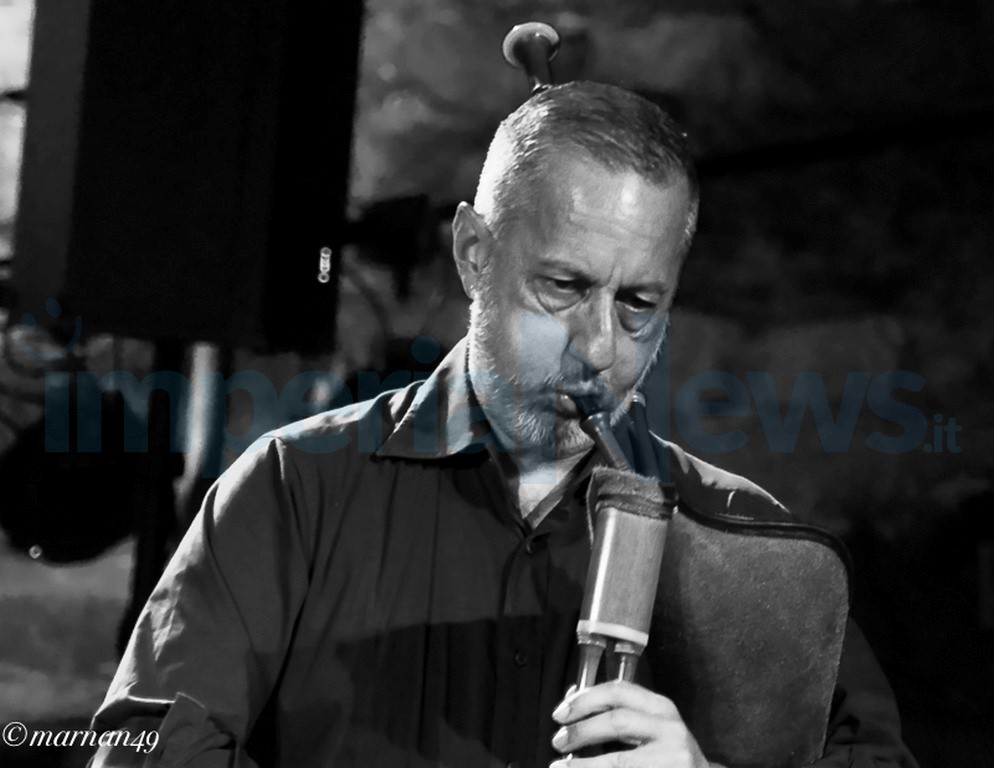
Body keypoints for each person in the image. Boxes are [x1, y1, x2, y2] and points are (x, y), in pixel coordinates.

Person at [90, 82, 917, 768]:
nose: (599, 349)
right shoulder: (291, 491)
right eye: (564, 287)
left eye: (638, 304)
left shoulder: (754, 546)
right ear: (474, 254)